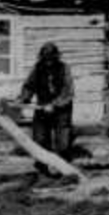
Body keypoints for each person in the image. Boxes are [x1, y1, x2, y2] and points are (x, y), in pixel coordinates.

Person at [16, 42, 75, 173]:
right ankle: (43, 167)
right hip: (42, 108)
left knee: (63, 143)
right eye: (45, 58)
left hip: (62, 109)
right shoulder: (37, 68)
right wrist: (23, 99)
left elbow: (68, 91)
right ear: (41, 57)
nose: (48, 61)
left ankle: (63, 168)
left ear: (56, 57)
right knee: (40, 139)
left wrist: (54, 104)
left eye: (51, 58)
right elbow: (29, 86)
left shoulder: (65, 68)